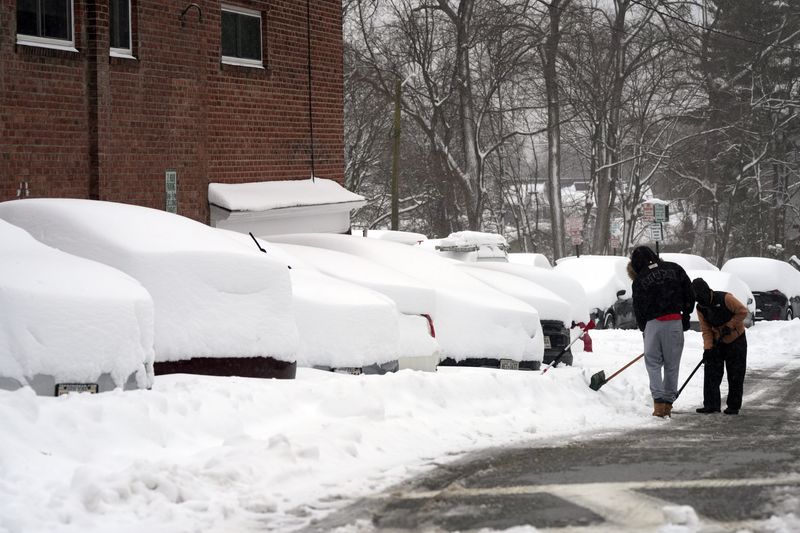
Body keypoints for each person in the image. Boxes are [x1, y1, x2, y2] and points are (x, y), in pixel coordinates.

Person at [628, 246, 694, 418]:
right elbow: (689, 292)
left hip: (653, 323)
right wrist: (686, 315)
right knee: (672, 365)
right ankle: (668, 404)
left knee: (653, 363)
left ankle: (658, 403)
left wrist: (644, 329)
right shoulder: (674, 268)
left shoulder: (639, 280)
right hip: (674, 320)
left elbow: (638, 307)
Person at [691, 277, 748, 415]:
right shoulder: (700, 307)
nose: (701, 301)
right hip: (718, 341)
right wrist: (708, 348)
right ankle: (711, 404)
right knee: (711, 372)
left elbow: (743, 311)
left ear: (707, 291)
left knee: (735, 374)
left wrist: (730, 325)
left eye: (701, 297)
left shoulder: (725, 298)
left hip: (736, 339)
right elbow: (706, 330)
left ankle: (733, 406)